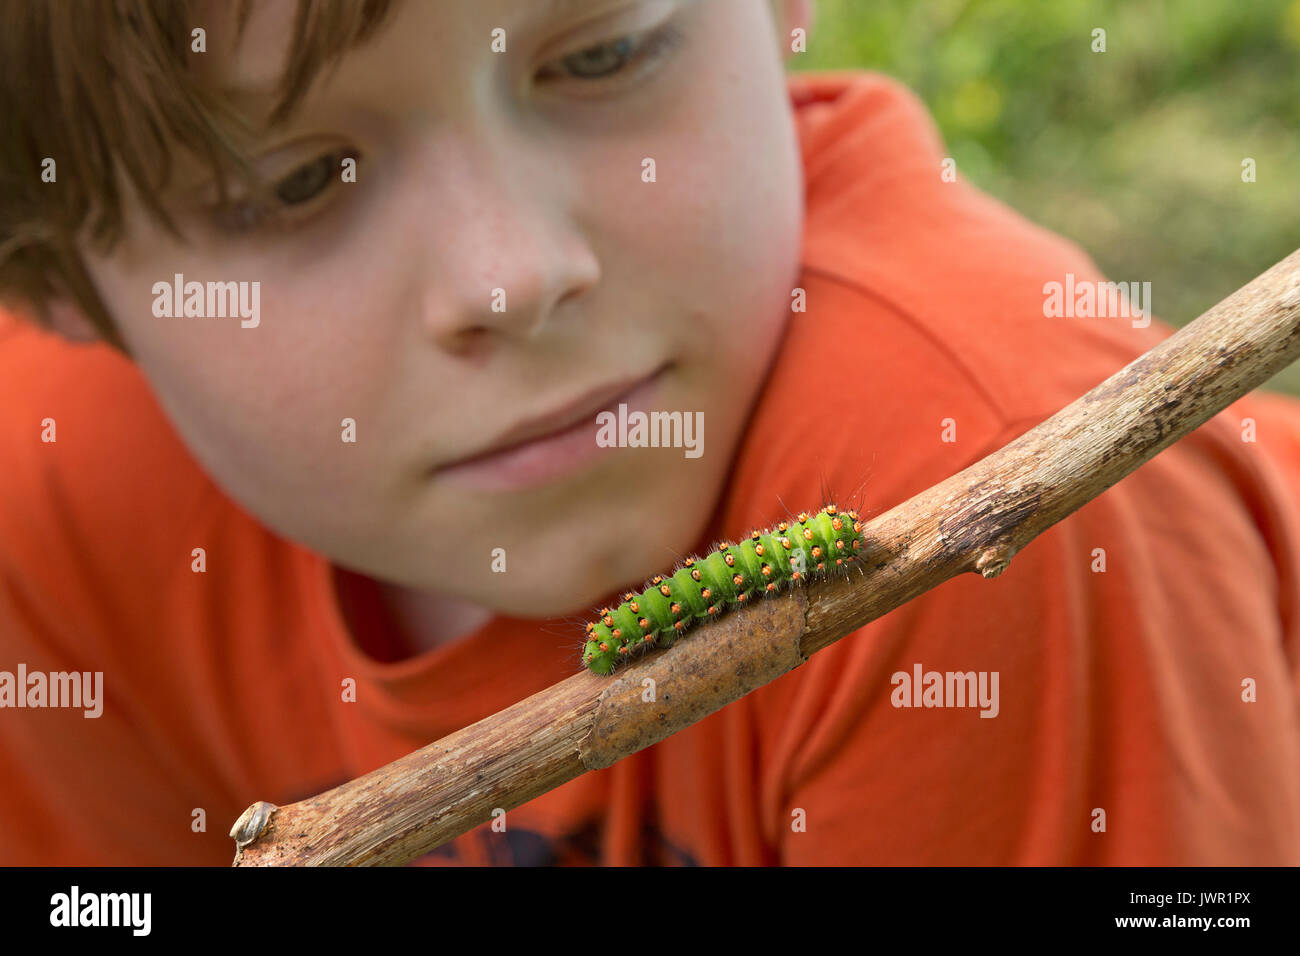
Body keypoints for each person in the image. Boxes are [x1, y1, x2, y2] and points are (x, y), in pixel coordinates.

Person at [1, 0, 1297, 865]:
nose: (513, 273)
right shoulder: (52, 496)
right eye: (293, 181)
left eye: (604, 53)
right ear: (59, 282)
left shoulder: (976, 498)